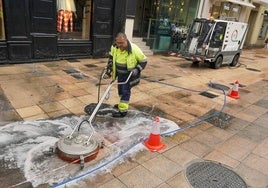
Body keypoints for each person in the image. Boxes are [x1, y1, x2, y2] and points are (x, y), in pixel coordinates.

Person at [104, 32, 147, 118]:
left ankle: (123, 111)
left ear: (126, 40)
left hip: (129, 75)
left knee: (125, 91)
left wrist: (137, 69)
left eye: (122, 43)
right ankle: (121, 104)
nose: (119, 45)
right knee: (120, 90)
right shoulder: (114, 47)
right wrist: (109, 67)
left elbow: (144, 61)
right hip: (120, 74)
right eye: (118, 43)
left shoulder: (134, 49)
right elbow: (111, 57)